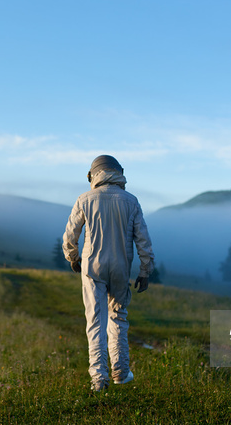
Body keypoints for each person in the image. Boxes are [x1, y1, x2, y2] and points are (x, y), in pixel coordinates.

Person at [62, 154, 155, 392]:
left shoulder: (85, 199)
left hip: (92, 267)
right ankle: (121, 373)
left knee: (95, 321)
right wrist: (145, 270)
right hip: (121, 268)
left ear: (93, 175)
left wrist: (73, 258)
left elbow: (70, 236)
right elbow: (143, 240)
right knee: (118, 318)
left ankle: (98, 379)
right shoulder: (131, 201)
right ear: (118, 173)